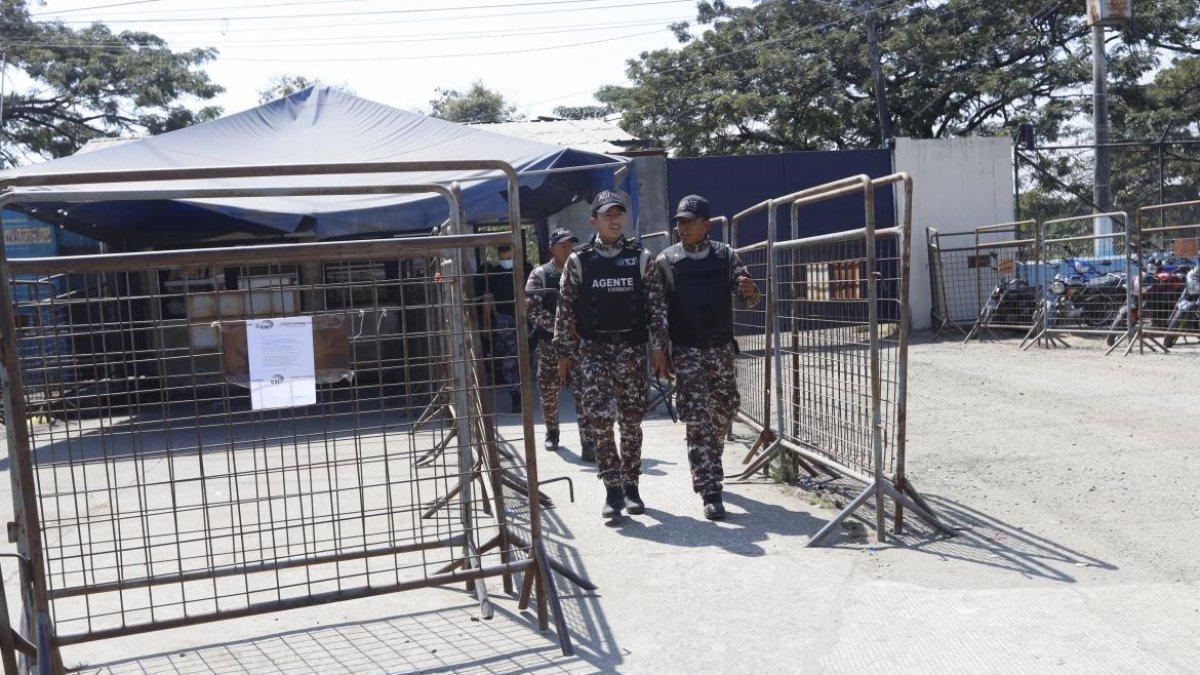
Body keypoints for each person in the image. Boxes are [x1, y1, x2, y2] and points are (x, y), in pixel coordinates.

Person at [553, 190, 669, 520]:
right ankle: (612, 490)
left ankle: (631, 485)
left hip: (631, 349)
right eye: (607, 215)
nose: (615, 219)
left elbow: (656, 306)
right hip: (593, 351)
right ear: (595, 221)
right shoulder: (578, 260)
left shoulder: (641, 257)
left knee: (631, 422)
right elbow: (565, 309)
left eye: (619, 213)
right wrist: (563, 353)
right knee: (600, 422)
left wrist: (659, 347)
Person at [652, 195, 760, 520]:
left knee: (724, 409)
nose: (681, 227)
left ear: (705, 224)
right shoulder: (666, 261)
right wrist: (660, 349)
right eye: (679, 222)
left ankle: (709, 458)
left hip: (721, 349)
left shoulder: (726, 256)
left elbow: (749, 299)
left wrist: (750, 290)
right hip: (687, 350)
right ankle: (710, 488)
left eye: (688, 221)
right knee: (697, 418)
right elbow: (658, 312)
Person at [526, 227, 595, 459]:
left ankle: (588, 442)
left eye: (571, 245)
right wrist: (561, 327)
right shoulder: (541, 274)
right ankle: (552, 431)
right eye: (563, 245)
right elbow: (533, 310)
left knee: (584, 393)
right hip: (550, 345)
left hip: (578, 345)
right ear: (551, 249)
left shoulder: (582, 271)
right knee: (548, 392)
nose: (568, 249)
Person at [476, 245, 521, 412]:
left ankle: (521, 394)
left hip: (524, 318)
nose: (507, 260)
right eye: (504, 257)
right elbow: (488, 300)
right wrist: (486, 325)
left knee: (523, 359)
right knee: (509, 361)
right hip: (504, 321)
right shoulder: (494, 274)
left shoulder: (524, 269)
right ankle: (516, 396)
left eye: (509, 257)